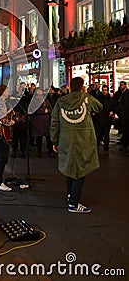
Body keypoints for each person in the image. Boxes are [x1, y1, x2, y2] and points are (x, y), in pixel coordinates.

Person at [50, 76, 103, 213]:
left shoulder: (61, 101)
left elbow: (54, 122)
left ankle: (70, 195)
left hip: (66, 139)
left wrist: (54, 140)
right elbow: (99, 107)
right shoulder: (86, 98)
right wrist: (86, 94)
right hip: (83, 139)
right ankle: (73, 203)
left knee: (69, 167)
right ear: (82, 87)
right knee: (81, 169)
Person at [29, 87, 53, 157]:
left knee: (48, 137)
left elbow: (50, 108)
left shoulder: (45, 100)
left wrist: (48, 110)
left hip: (46, 121)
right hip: (37, 121)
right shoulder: (33, 101)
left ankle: (50, 151)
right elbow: (32, 109)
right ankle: (39, 152)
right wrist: (42, 111)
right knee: (39, 138)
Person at [97, 85, 115, 157]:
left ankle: (106, 149)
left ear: (107, 91)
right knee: (98, 135)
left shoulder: (111, 99)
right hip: (100, 119)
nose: (104, 91)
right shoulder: (99, 99)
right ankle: (97, 149)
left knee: (106, 135)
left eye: (105, 90)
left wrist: (112, 111)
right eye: (103, 90)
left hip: (107, 119)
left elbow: (115, 107)